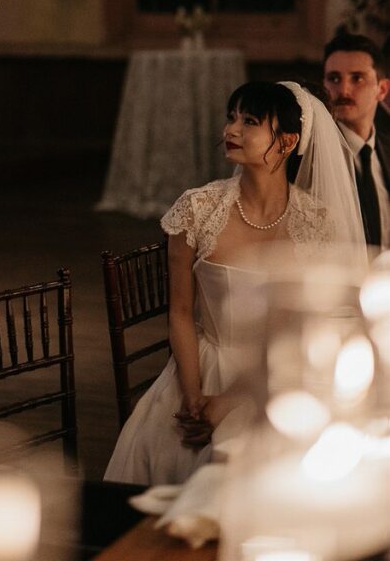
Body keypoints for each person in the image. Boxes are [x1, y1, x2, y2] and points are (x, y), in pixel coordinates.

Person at [104, 80, 365, 487]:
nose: (231, 131)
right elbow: (180, 312)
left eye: (250, 121)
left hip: (279, 377)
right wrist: (194, 399)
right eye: (230, 118)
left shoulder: (315, 224)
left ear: (287, 142)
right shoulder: (197, 209)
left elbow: (306, 331)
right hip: (199, 366)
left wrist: (229, 402)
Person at [323, 30, 390, 248]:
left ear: (382, 89)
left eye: (357, 78)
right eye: (334, 78)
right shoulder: (311, 155)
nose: (343, 90)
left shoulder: (387, 149)